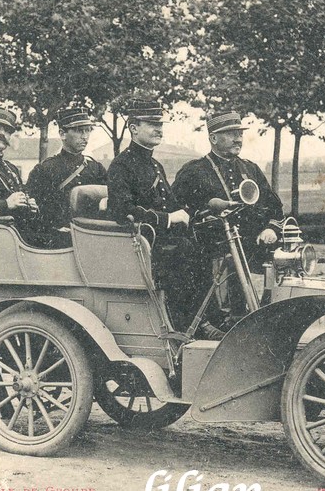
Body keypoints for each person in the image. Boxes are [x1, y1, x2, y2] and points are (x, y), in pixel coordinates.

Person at [172, 109, 284, 321]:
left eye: (240, 133)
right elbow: (176, 210)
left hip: (253, 249)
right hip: (213, 252)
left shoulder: (250, 169)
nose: (238, 138)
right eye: (231, 133)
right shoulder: (194, 172)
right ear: (213, 138)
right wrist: (206, 209)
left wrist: (271, 228)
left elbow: (274, 207)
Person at [106, 99, 196, 330]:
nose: (159, 129)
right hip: (142, 245)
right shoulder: (121, 165)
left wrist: (191, 214)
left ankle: (202, 319)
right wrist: (167, 219)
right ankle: (183, 325)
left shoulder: (155, 165)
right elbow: (121, 209)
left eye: (161, 125)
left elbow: (174, 205)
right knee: (187, 252)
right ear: (133, 128)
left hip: (161, 242)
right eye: (152, 124)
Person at [26, 107, 107, 248]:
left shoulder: (96, 169)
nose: (85, 136)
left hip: (93, 239)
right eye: (78, 130)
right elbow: (32, 212)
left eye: (88, 130)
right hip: (57, 241)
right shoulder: (45, 169)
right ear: (63, 134)